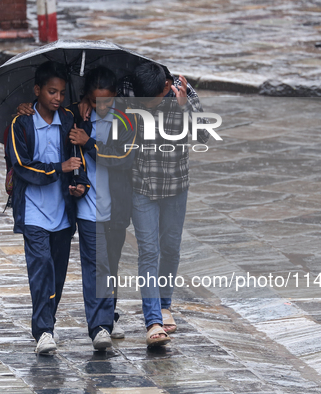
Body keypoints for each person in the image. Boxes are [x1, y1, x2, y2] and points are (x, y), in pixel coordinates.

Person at [125, 62, 210, 347]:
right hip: (141, 185)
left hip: (175, 185)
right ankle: (153, 322)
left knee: (170, 247)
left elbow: (203, 136)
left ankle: (164, 304)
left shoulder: (183, 92)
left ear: (165, 88)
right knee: (148, 251)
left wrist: (186, 107)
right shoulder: (130, 87)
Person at [7, 61, 88, 355]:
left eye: (62, 93)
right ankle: (43, 330)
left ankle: (47, 322)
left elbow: (77, 158)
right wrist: (58, 168)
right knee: (40, 268)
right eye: (52, 92)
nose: (57, 98)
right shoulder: (21, 124)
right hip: (32, 211)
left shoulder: (68, 119)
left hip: (63, 213)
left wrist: (78, 183)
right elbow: (22, 166)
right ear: (37, 91)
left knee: (57, 274)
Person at [67, 66, 137, 349]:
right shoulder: (77, 117)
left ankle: (109, 314)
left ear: (115, 96)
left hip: (117, 208)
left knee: (110, 264)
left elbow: (123, 158)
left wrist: (90, 143)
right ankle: (99, 326)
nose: (102, 107)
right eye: (96, 101)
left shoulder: (128, 120)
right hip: (88, 208)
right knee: (96, 266)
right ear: (87, 97)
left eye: (107, 101)